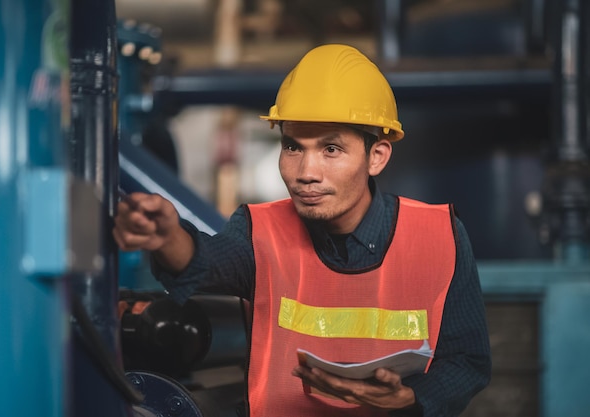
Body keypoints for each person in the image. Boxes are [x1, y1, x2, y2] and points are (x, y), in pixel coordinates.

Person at [113, 44, 491, 417]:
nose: (306, 172)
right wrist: (167, 238)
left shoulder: (438, 236)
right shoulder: (260, 231)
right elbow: (204, 263)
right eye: (293, 147)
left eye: (330, 149)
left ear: (376, 156)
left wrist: (406, 399)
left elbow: (466, 361)